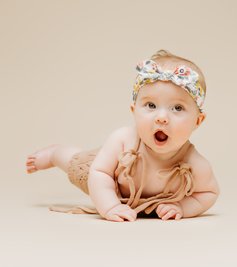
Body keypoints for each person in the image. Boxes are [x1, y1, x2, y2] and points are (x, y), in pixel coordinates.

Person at [25, 49, 220, 222]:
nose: (161, 117)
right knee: (74, 163)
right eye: (151, 105)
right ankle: (54, 154)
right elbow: (99, 173)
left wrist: (182, 208)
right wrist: (110, 206)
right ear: (134, 110)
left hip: (134, 198)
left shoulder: (195, 164)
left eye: (177, 108)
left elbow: (208, 193)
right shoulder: (123, 140)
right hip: (105, 178)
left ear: (197, 121)